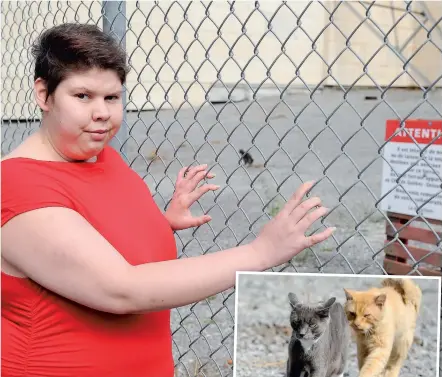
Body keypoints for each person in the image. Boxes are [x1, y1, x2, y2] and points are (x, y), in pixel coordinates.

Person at [1, 23, 335, 377]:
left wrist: (159, 225)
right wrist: (260, 253)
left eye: (112, 97)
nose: (102, 113)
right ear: (44, 95)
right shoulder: (16, 185)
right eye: (83, 96)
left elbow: (92, 241)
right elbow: (121, 289)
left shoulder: (103, 158)